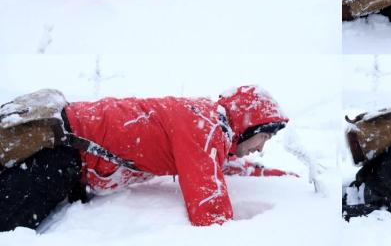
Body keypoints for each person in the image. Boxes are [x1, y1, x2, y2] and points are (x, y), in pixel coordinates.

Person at [0, 85, 296, 231]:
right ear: (247, 124)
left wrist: (277, 177)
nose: (261, 147)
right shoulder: (204, 130)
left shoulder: (206, 122)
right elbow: (211, 214)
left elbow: (220, 166)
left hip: (68, 146)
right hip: (62, 152)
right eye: (264, 137)